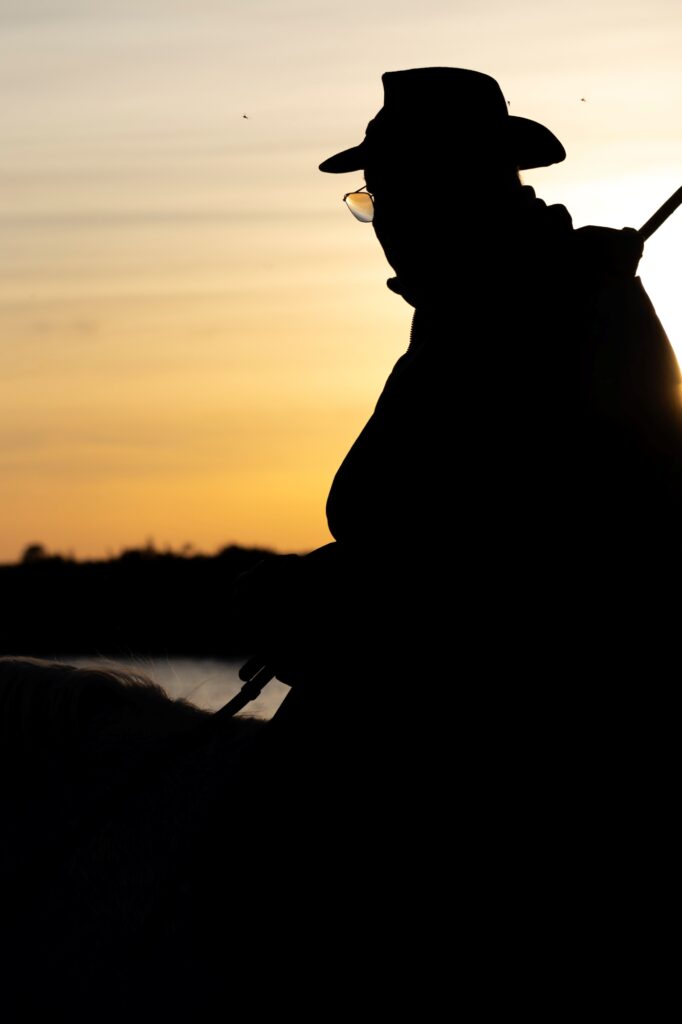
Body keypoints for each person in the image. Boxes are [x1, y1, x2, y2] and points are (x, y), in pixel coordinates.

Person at [234, 67, 682, 722]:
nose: (383, 225)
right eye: (372, 201)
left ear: (450, 189)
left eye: (390, 196)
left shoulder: (561, 308)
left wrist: (318, 600)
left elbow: (547, 554)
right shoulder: (477, 309)